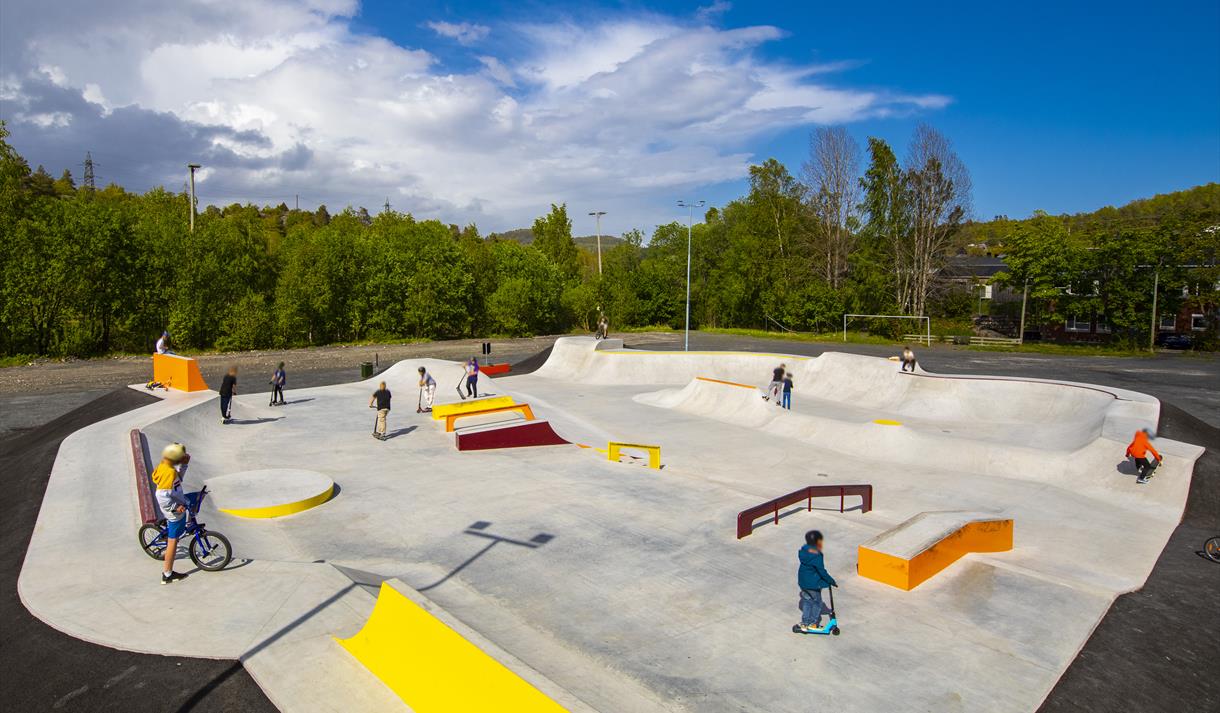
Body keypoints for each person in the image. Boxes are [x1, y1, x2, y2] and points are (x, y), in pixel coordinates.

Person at [152, 442, 191, 585]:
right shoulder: (168, 472)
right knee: (173, 542)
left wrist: (185, 465)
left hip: (179, 502)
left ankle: (184, 524)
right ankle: (167, 574)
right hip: (174, 511)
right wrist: (175, 508)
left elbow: (177, 480)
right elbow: (161, 497)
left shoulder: (169, 467)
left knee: (197, 498)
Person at [797, 529, 837, 632]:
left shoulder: (803, 551)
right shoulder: (816, 555)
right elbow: (821, 571)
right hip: (813, 584)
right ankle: (813, 623)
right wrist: (831, 581)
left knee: (807, 601)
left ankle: (804, 623)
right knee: (817, 603)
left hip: (803, 582)